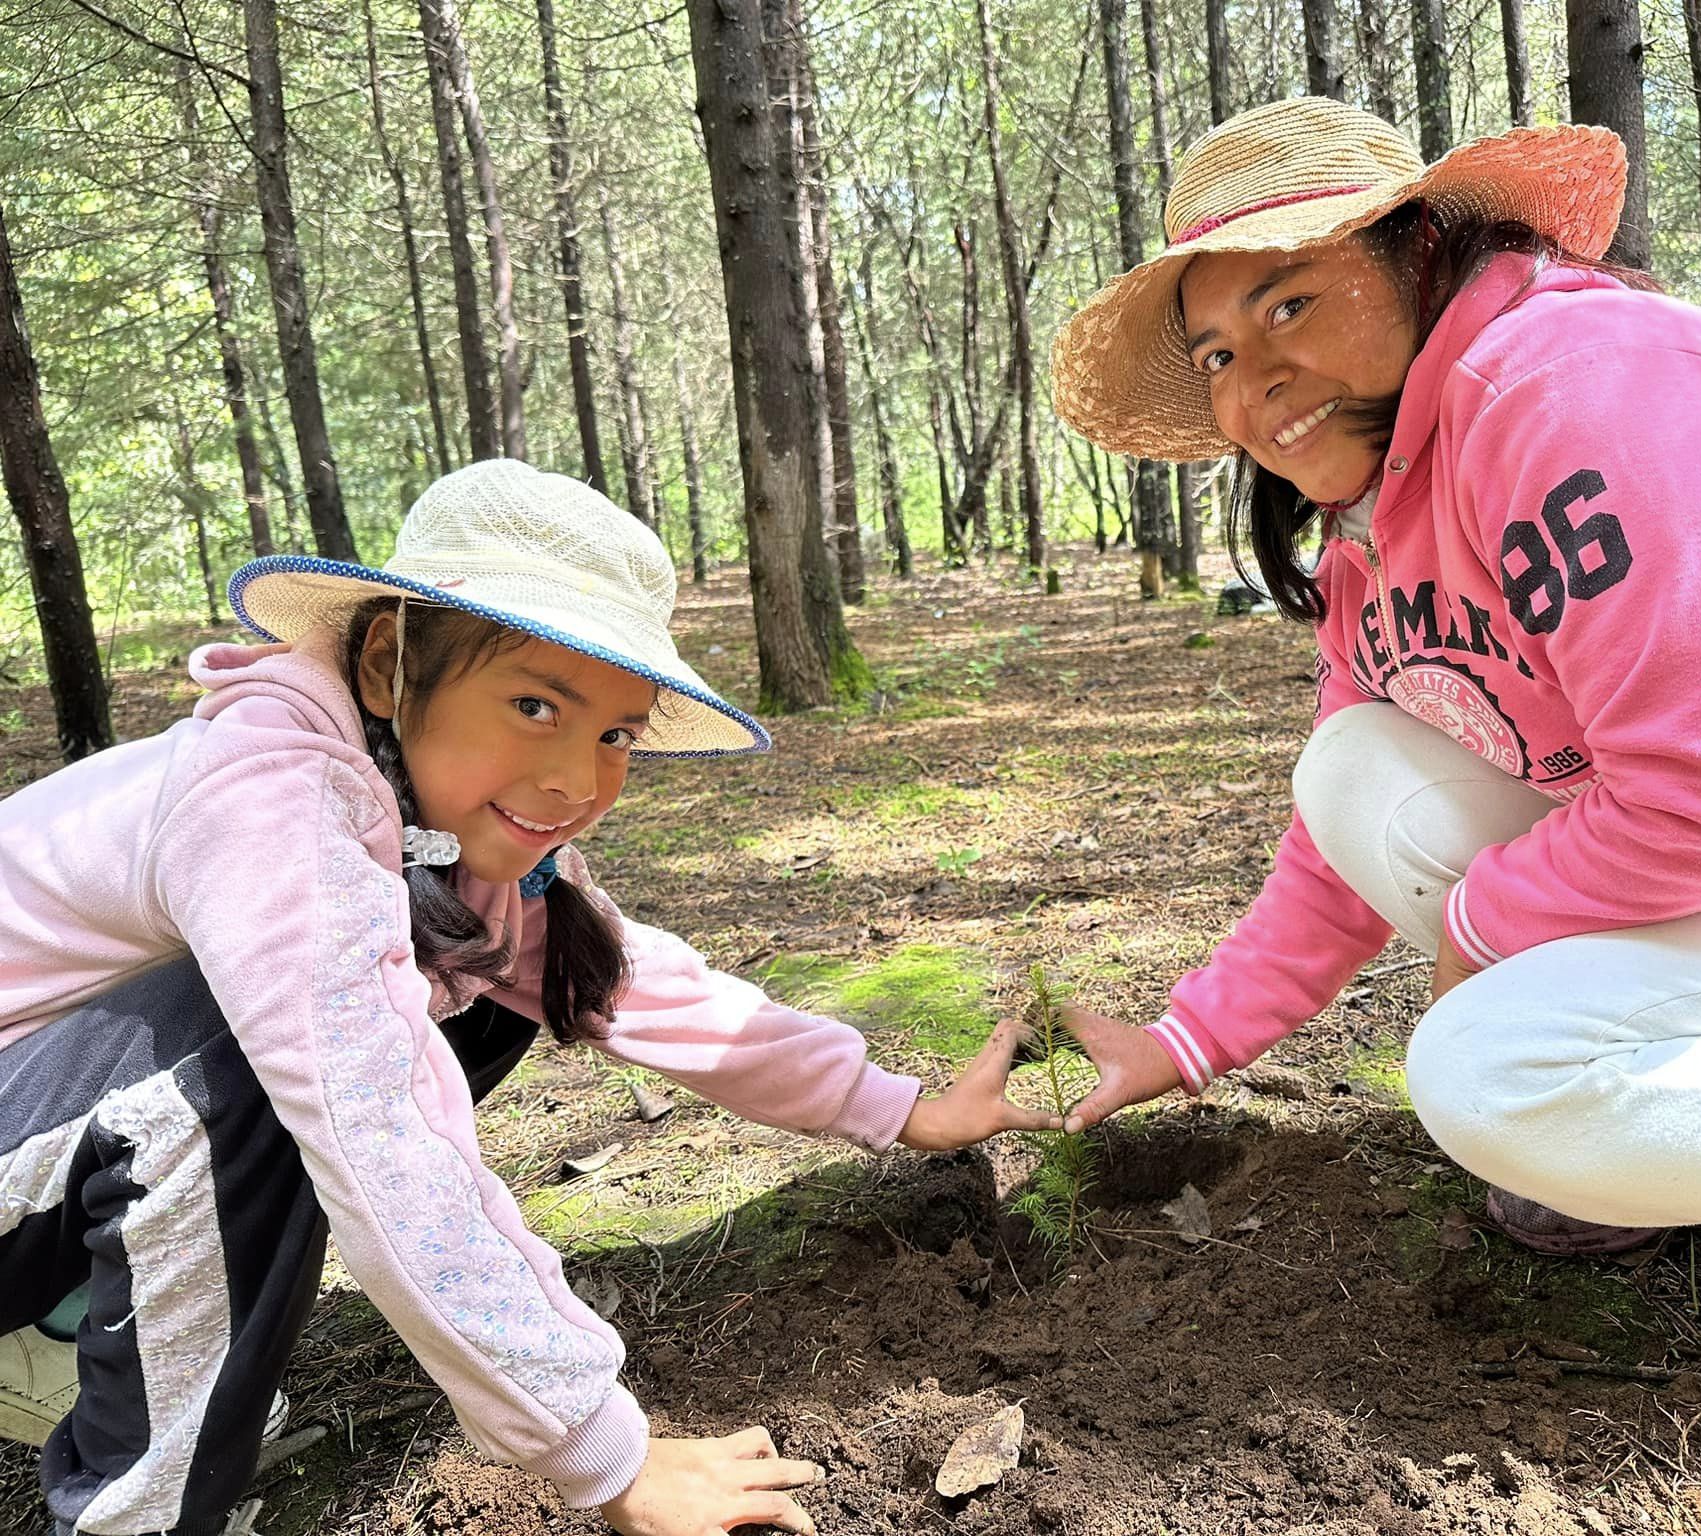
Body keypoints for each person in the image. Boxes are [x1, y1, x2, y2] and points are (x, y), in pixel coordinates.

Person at [1047, 96, 1701, 1498]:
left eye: (1290, 305)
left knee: (1490, 1072)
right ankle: (1661, 1150)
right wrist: (1187, 1042)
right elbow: (1344, 837)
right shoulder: (1384, 525)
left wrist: (1487, 921)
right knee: (1356, 771)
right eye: (1219, 352)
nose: (1250, 384)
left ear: (1420, 252)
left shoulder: (1572, 380)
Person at [0, 459, 1051, 1536]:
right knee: (238, 1086)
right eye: (533, 703)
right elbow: (374, 1126)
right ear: (384, 662)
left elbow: (623, 981)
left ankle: (60, 1322)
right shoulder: (269, 798)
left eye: (614, 734)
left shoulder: (428, 821)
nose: (577, 780)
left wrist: (897, 1105)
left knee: (489, 980)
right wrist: (604, 1454)